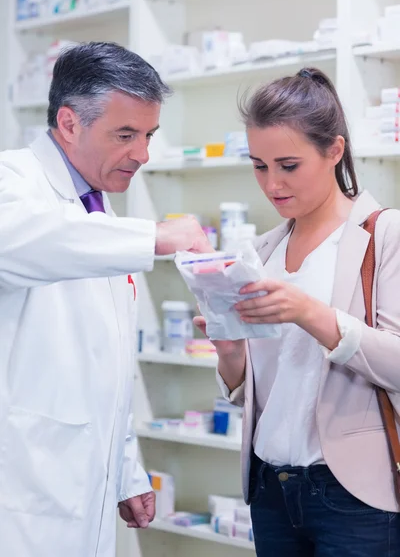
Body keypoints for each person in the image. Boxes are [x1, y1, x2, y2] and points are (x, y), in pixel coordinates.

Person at [0, 42, 212, 557]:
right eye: (125, 135)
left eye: (148, 136)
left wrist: (127, 471)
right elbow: (22, 240)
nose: (141, 154)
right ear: (70, 123)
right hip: (24, 488)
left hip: (85, 486)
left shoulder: (97, 212)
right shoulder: (13, 182)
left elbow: (104, 368)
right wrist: (158, 237)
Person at [195, 67, 400, 556]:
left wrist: (310, 313)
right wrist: (229, 354)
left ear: (334, 150)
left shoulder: (383, 235)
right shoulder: (261, 251)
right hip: (270, 488)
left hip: (353, 496)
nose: (272, 184)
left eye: (288, 165)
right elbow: (264, 387)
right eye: (259, 165)